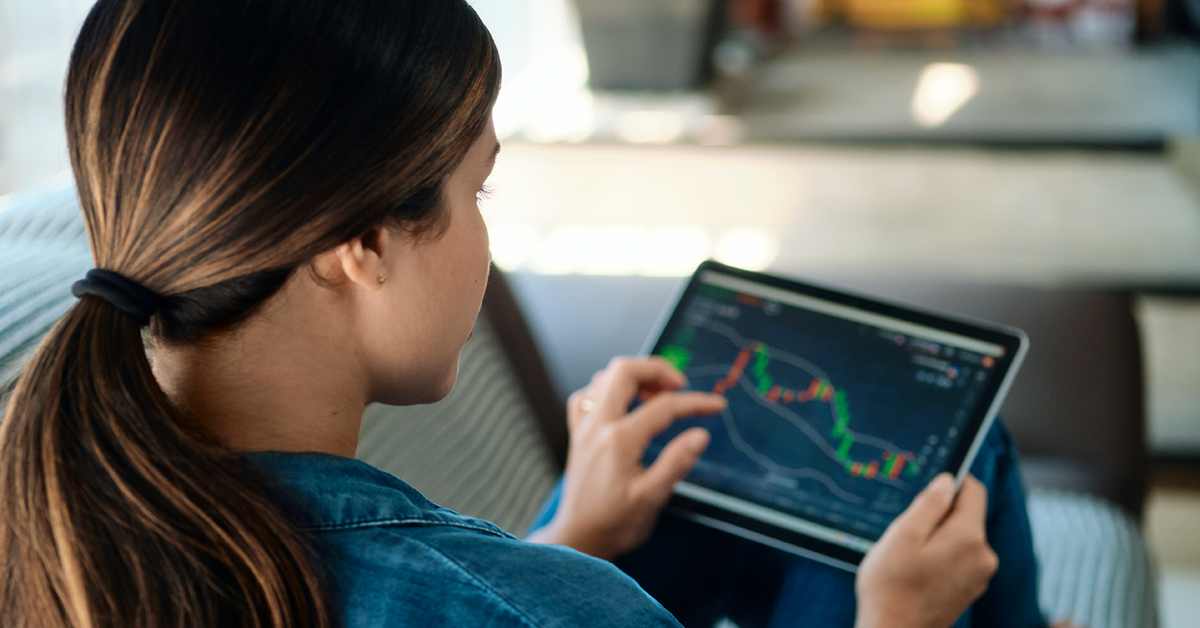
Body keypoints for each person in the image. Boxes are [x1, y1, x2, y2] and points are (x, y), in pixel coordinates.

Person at [0, 0, 1018, 627]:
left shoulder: (50, 528)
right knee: (961, 455)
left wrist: (570, 529)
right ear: (358, 244)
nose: (484, 239)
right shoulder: (549, 610)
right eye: (476, 191)